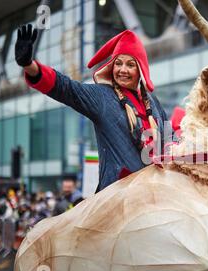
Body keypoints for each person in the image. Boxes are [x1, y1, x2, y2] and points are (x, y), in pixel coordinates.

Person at [15, 24, 169, 192]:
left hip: (156, 195)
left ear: (140, 69)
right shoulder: (102, 97)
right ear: (112, 67)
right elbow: (66, 88)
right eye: (118, 63)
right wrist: (30, 66)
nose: (123, 70)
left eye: (130, 65)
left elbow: (171, 138)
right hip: (117, 201)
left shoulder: (153, 103)